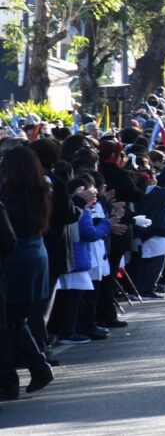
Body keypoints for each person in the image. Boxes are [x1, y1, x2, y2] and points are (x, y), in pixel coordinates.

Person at [0, 146, 54, 397]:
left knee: (9, 322)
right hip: (35, 257)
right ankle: (35, 368)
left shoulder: (9, 196)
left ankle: (13, 379)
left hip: (14, 260)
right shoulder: (40, 190)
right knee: (15, 321)